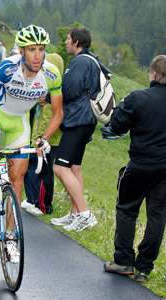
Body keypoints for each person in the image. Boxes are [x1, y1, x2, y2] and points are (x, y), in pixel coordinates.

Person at [0, 24, 63, 227]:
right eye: (32, 49)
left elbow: (58, 113)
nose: (38, 56)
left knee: (17, 178)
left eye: (41, 49)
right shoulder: (7, 68)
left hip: (19, 122)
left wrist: (45, 138)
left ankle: (10, 235)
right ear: (21, 51)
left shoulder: (51, 74)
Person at [103, 55, 166, 283]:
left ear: (152, 73)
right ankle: (144, 268)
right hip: (164, 169)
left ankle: (123, 260)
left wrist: (122, 105)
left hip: (140, 165)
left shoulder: (138, 98)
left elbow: (117, 125)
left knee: (127, 209)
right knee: (157, 216)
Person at [51, 26, 109, 231]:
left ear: (76, 42)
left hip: (77, 120)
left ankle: (85, 213)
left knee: (60, 167)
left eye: (68, 39)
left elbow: (68, 89)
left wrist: (49, 97)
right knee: (74, 167)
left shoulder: (80, 62)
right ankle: (75, 214)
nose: (66, 42)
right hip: (86, 120)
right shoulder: (92, 60)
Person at [22, 52, 64, 215]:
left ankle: (44, 205)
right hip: (37, 137)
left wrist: (43, 138)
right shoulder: (43, 89)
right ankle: (33, 199)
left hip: (47, 139)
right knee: (34, 168)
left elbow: (51, 119)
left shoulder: (55, 95)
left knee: (44, 172)